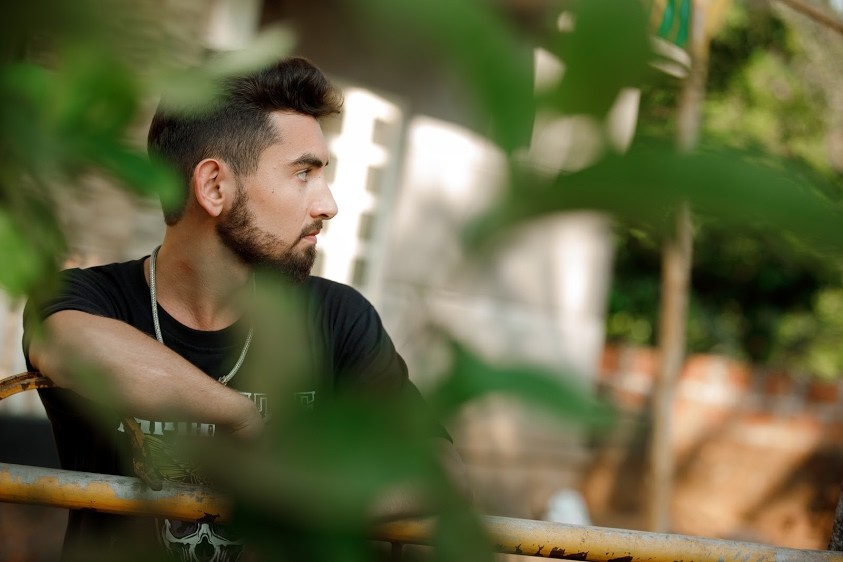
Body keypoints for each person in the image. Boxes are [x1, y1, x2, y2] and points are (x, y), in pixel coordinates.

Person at [22, 56, 466, 562]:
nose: (328, 205)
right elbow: (66, 345)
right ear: (214, 186)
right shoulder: (92, 299)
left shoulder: (335, 317)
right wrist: (241, 417)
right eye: (303, 173)